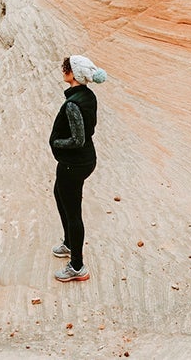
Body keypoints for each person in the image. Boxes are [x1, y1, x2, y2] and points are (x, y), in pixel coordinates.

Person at [50, 53, 106, 283]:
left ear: (73, 73)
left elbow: (78, 139)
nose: (63, 70)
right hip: (82, 160)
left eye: (66, 68)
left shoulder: (74, 104)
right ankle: (69, 243)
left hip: (75, 162)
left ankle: (77, 266)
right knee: (59, 194)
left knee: (73, 211)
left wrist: (55, 143)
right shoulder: (87, 95)